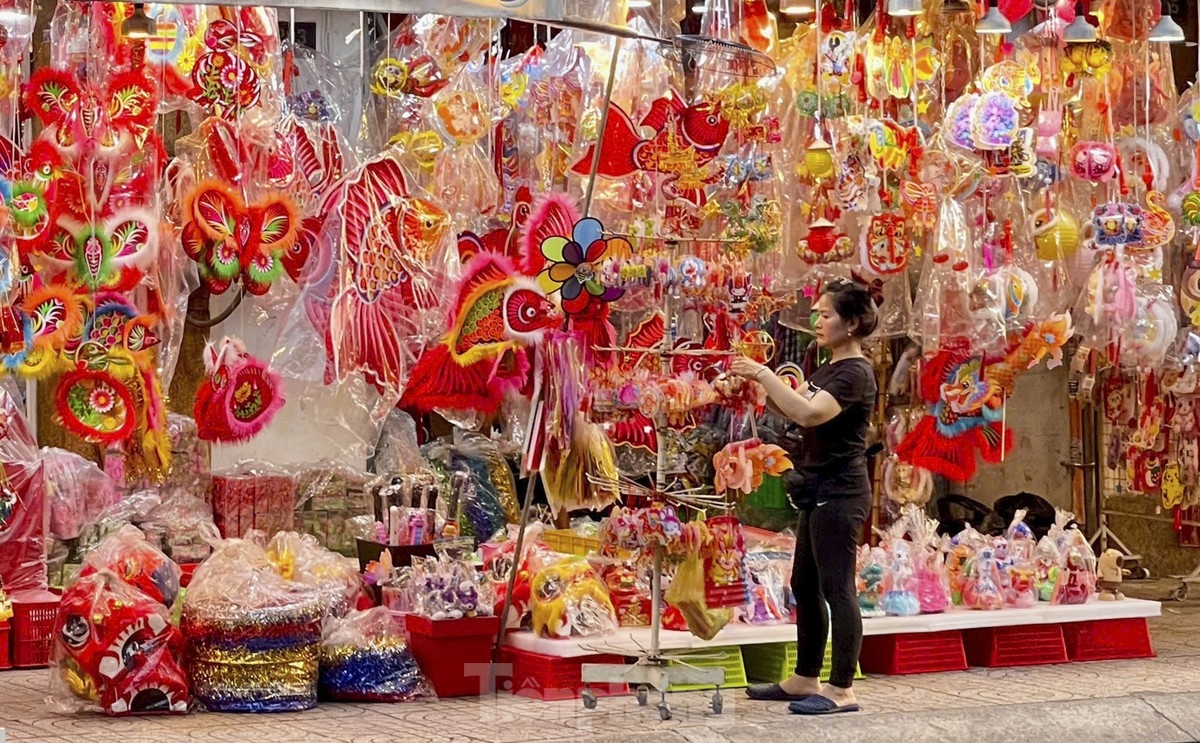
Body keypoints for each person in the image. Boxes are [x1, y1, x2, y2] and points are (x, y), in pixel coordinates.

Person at [729, 278, 879, 716]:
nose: (817, 320)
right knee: (804, 584)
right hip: (815, 489)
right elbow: (796, 409)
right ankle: (805, 677)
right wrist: (759, 394)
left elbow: (810, 412)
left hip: (841, 491)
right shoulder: (828, 367)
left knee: (837, 588)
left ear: (851, 323)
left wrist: (763, 373)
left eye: (826, 314)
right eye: (816, 312)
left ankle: (842, 689)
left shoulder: (856, 371)